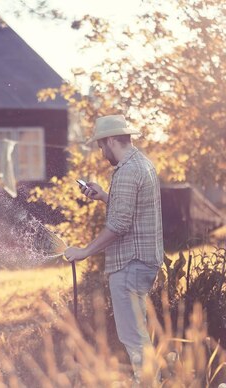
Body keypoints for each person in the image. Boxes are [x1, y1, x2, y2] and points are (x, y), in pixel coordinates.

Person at [64, 114, 164, 385]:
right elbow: (132, 212)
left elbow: (119, 225)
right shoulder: (142, 164)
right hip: (143, 260)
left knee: (132, 335)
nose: (100, 150)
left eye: (100, 144)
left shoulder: (127, 171)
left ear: (110, 140)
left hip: (130, 263)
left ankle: (148, 383)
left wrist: (84, 251)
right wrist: (106, 197)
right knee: (138, 332)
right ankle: (148, 381)